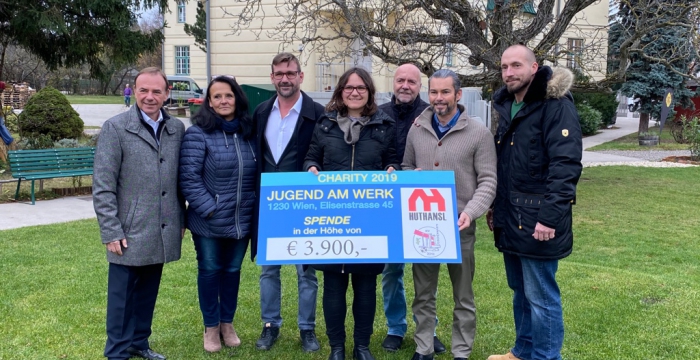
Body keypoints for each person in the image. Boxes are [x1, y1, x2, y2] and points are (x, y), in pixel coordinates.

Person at [486, 45, 583, 360]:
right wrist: (493, 208)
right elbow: (506, 165)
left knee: (542, 298)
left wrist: (549, 218)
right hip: (511, 217)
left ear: (534, 67)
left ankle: (546, 356)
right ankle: (522, 351)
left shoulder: (556, 105)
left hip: (539, 220)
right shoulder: (506, 105)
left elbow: (565, 166)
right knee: (521, 292)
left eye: (516, 65)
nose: (509, 73)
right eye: (504, 67)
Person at [304, 67, 400, 360]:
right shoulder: (325, 124)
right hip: (332, 218)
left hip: (370, 219)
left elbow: (393, 159)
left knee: (366, 284)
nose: (354, 92)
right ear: (340, 92)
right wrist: (311, 168)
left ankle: (361, 346)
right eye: (349, 88)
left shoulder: (385, 125)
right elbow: (311, 156)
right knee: (333, 285)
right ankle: (336, 347)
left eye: (361, 88)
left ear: (369, 92)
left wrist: (391, 169)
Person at [403, 69, 497, 360]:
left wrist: (471, 212)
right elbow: (405, 166)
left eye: (445, 92)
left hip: (460, 226)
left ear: (458, 94)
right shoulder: (417, 127)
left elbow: (489, 180)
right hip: (423, 225)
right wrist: (412, 175)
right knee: (423, 294)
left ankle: (461, 351)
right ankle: (423, 348)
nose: (438, 98)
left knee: (463, 296)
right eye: (433, 92)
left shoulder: (478, 133)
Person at [93, 67, 185, 360]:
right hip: (128, 230)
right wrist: (111, 230)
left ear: (167, 94)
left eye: (157, 91)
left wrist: (180, 219)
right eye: (143, 90)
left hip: (161, 227)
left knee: (147, 292)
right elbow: (103, 185)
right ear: (134, 90)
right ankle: (117, 352)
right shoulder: (116, 128)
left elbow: (180, 178)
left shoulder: (176, 129)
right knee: (122, 298)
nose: (150, 97)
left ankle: (139, 342)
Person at [253, 52, 327, 352]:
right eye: (279, 73)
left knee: (306, 271)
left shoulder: (318, 113)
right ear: (272, 77)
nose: (285, 78)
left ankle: (307, 328)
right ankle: (270, 325)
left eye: (290, 73)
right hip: (269, 204)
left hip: (304, 206)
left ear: (300, 76)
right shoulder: (260, 112)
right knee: (268, 269)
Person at [179, 76, 257, 352]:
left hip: (242, 220)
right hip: (208, 221)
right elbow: (189, 178)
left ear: (237, 98)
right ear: (208, 102)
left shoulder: (249, 133)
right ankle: (211, 327)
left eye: (229, 95)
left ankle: (227, 323)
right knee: (210, 271)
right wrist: (210, 208)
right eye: (217, 97)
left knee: (232, 271)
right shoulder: (198, 133)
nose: (224, 101)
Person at [377, 63, 446, 354]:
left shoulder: (431, 115)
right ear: (394, 82)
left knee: (424, 272)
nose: (405, 85)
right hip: (387, 203)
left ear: (421, 86)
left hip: (422, 201)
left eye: (412, 82)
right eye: (400, 80)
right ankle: (395, 326)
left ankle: (426, 329)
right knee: (391, 271)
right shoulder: (378, 113)